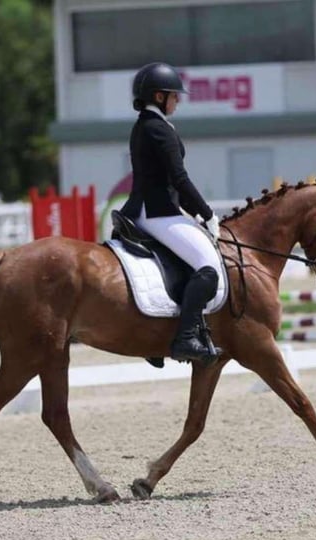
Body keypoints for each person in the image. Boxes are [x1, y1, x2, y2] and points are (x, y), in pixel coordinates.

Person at [120, 62, 223, 364]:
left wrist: (197, 214)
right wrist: (207, 213)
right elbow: (179, 179)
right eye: (174, 96)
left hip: (145, 209)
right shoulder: (158, 129)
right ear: (159, 96)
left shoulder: (145, 125)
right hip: (158, 213)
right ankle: (186, 337)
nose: (179, 100)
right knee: (208, 268)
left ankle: (160, 333)